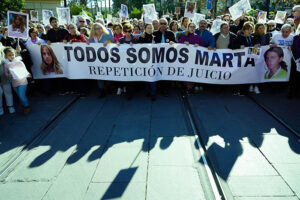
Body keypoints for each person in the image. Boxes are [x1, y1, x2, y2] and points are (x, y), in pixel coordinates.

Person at [87, 23, 114, 98]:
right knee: (98, 74)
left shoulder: (106, 35)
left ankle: (108, 87)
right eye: (96, 29)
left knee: (107, 72)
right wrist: (87, 43)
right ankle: (101, 90)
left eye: (99, 28)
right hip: (96, 59)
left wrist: (108, 42)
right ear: (93, 30)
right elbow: (88, 45)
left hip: (107, 58)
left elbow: (114, 43)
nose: (98, 30)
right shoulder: (92, 38)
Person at [178, 22, 205, 93]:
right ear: (188, 27)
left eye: (193, 27)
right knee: (185, 72)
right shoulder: (184, 35)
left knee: (192, 72)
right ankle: (185, 86)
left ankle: (190, 87)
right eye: (191, 27)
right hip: (185, 59)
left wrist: (198, 45)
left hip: (194, 59)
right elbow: (178, 44)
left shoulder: (197, 36)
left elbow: (203, 46)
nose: (192, 28)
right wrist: (183, 43)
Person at [4, 47, 31, 115]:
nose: (12, 56)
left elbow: (25, 70)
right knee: (19, 95)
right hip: (14, 82)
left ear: (15, 54)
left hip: (22, 81)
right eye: (9, 55)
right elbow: (6, 72)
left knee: (21, 95)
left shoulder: (19, 62)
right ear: (6, 56)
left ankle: (27, 106)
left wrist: (28, 74)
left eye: (13, 54)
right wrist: (8, 75)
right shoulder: (6, 64)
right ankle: (23, 106)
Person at [153, 18, 176, 96]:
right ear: (159, 24)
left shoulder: (171, 34)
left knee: (166, 73)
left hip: (167, 58)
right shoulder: (154, 33)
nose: (163, 25)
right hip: (157, 57)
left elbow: (176, 45)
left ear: (167, 25)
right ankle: (158, 88)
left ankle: (165, 89)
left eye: (164, 23)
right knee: (157, 72)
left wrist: (173, 43)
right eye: (161, 23)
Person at [117, 23, 139, 99]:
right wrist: (118, 46)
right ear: (123, 31)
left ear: (132, 31)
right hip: (123, 61)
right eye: (125, 31)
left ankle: (130, 93)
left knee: (131, 78)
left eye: (129, 31)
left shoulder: (135, 39)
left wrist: (135, 46)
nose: (127, 33)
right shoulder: (120, 40)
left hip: (133, 62)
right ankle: (125, 88)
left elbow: (140, 49)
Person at [139, 23, 156, 100]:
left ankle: (153, 93)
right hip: (145, 61)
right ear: (145, 29)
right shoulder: (142, 37)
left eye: (151, 28)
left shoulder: (155, 37)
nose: (150, 29)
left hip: (154, 60)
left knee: (153, 77)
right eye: (148, 28)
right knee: (146, 77)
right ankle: (148, 91)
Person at [0, 43, 15, 115]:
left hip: (5, 75)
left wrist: (17, 51)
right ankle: (0, 108)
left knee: (8, 91)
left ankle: (10, 106)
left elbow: (13, 55)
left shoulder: (4, 48)